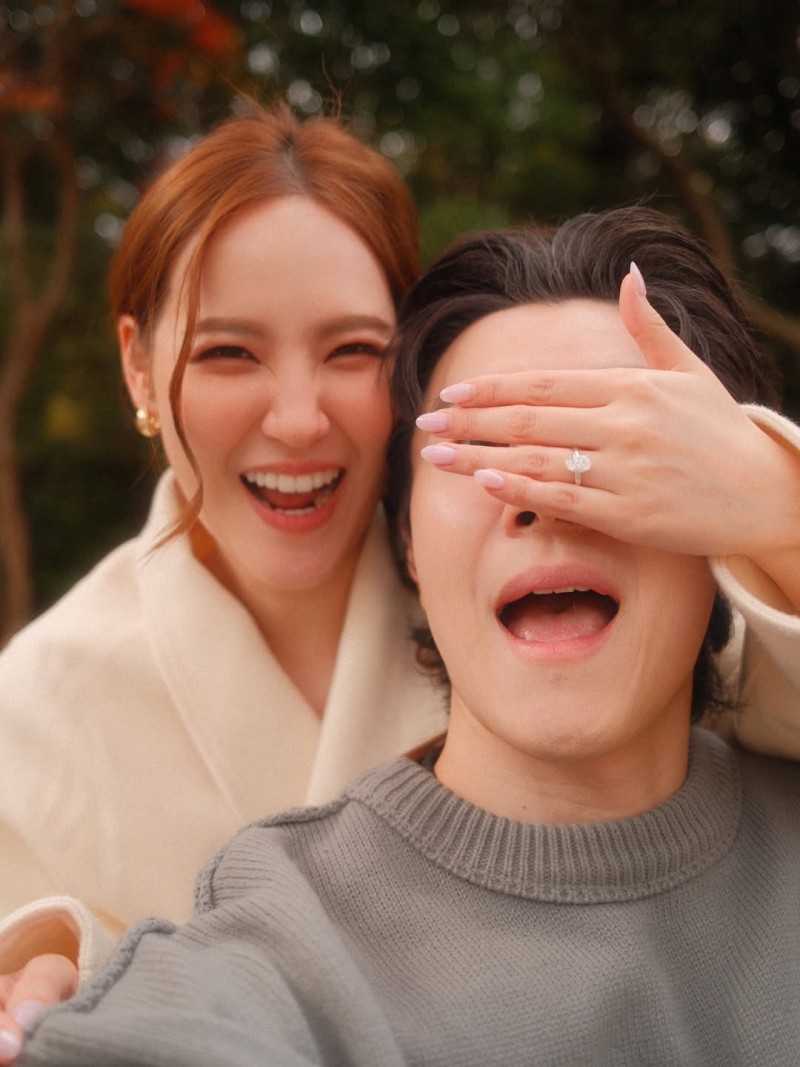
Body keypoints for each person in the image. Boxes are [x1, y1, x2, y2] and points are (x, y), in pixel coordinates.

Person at [0, 104, 799, 1059]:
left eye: (352, 350)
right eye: (227, 351)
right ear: (138, 366)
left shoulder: (715, 636)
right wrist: (74, 979)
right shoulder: (31, 717)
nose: (298, 418)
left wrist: (773, 495)